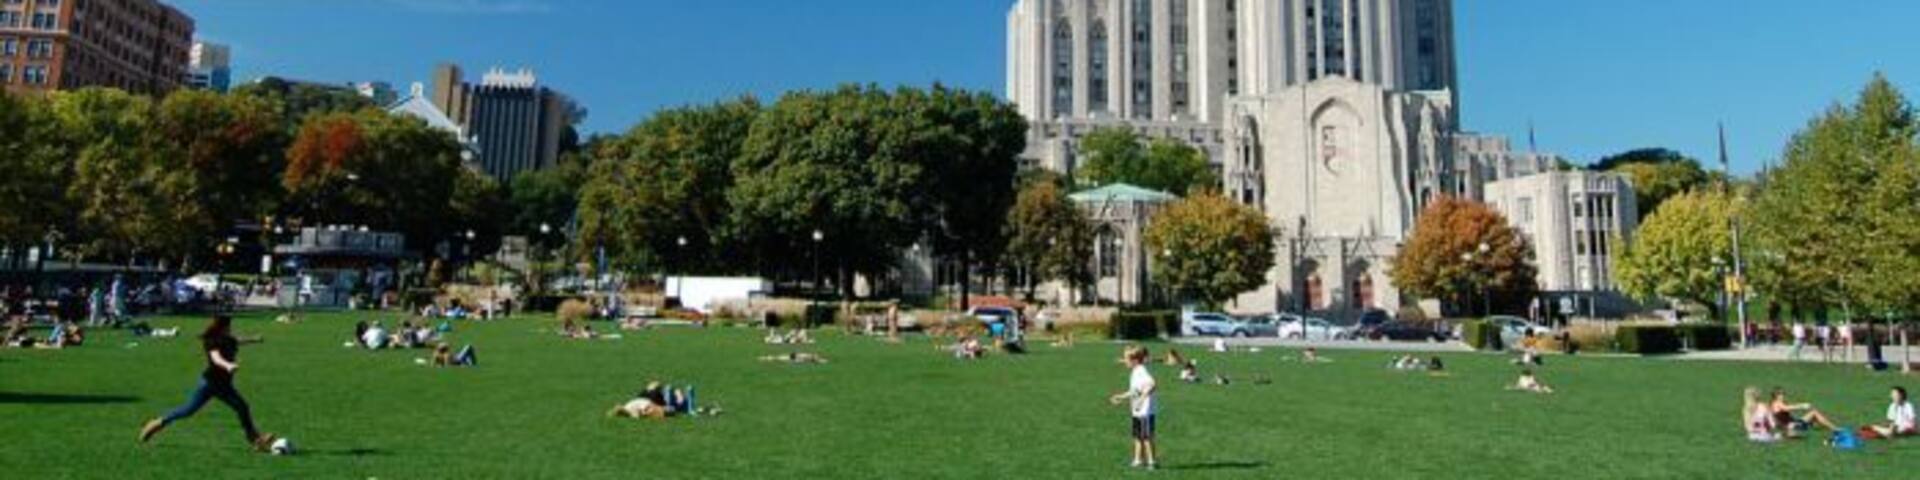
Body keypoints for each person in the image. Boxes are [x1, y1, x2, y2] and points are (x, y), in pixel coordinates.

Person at [139, 316, 276, 452]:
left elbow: (238, 340)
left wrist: (254, 339)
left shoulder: (228, 338)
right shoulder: (212, 341)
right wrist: (228, 365)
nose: (230, 329)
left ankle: (256, 439)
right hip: (211, 383)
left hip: (223, 384)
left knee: (241, 407)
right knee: (188, 410)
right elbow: (216, 358)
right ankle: (157, 422)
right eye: (228, 326)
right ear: (221, 327)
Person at [1108, 346, 1158, 470]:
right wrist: (1121, 396)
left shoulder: (1141, 370)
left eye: (1126, 359)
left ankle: (1152, 462)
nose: (1124, 361)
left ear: (1135, 360)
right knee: (1137, 436)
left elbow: (1152, 384)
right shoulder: (1135, 371)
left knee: (1146, 437)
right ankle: (1138, 460)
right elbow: (1135, 391)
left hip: (1145, 412)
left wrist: (1141, 400)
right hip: (1137, 411)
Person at [1769, 388, 1839, 434]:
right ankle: (1834, 428)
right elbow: (1786, 408)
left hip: (1792, 423)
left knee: (1813, 416)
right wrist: (1802, 405)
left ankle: (1828, 427)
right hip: (1791, 426)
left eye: (1783, 394)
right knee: (1814, 414)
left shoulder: (1775, 403)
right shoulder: (1777, 403)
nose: (1783, 396)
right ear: (1777, 396)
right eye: (1781, 394)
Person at [760, 352, 829, 364]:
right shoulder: (806, 357)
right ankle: (764, 358)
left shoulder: (807, 358)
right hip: (793, 357)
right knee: (776, 358)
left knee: (776, 358)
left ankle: (764, 358)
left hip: (793, 357)